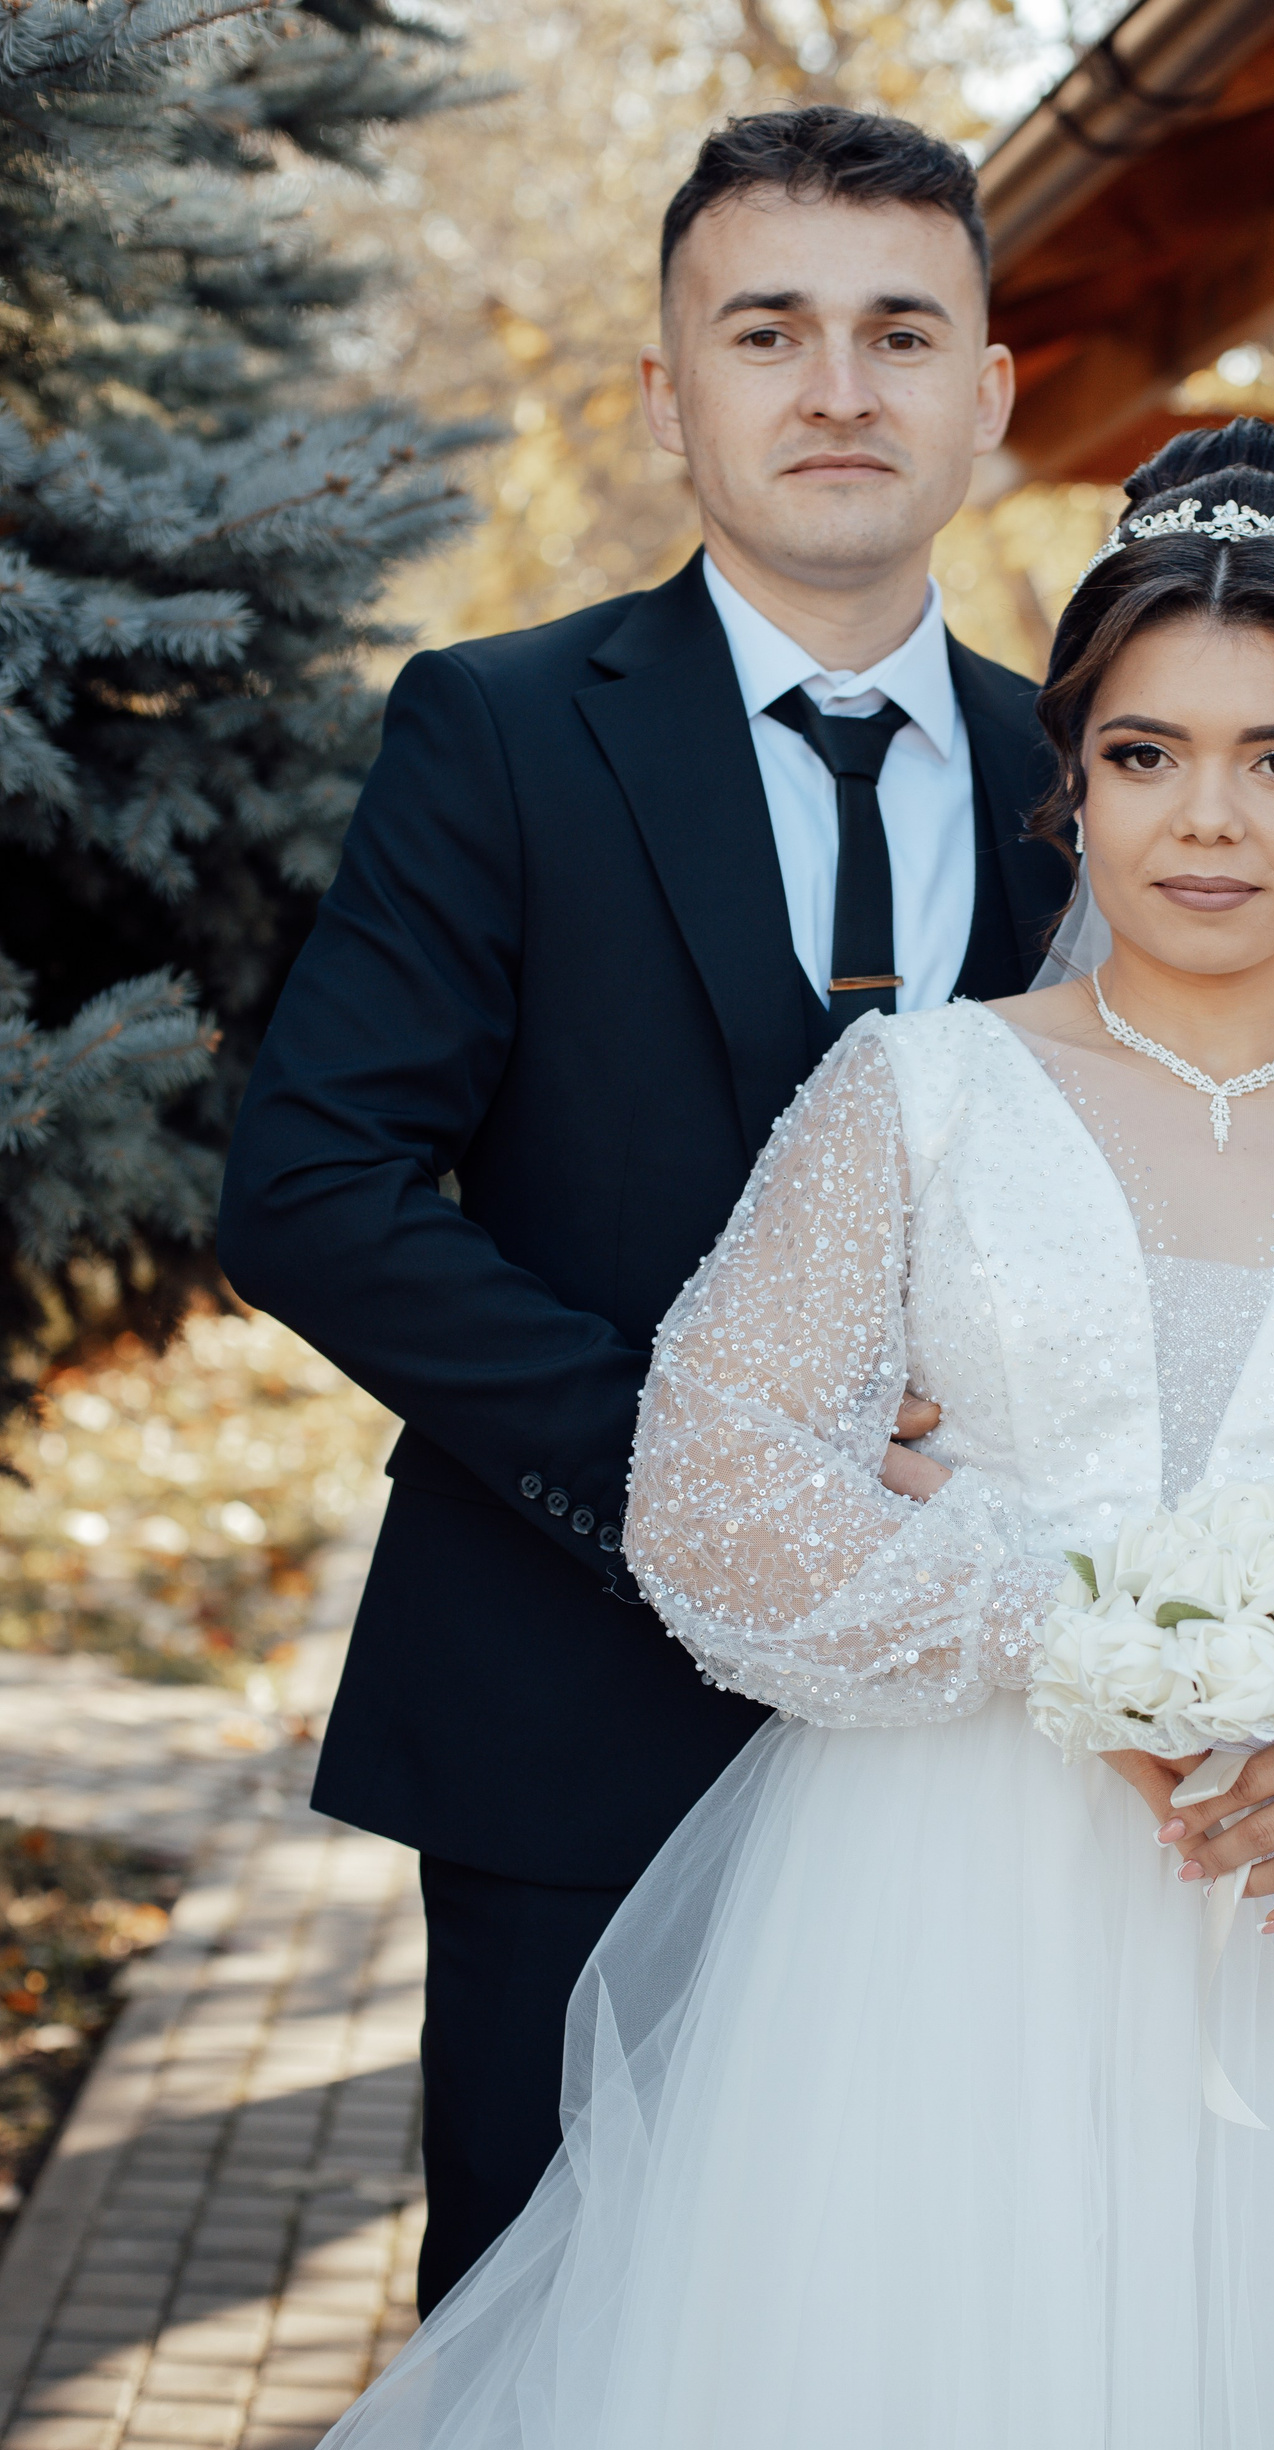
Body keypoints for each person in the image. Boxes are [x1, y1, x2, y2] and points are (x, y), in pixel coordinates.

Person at [239, 417, 1274, 2450]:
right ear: (1069, 777)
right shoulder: (917, 1095)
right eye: (1147, 754)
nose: (1209, 818)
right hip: (935, 1922)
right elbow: (712, 1475)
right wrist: (1086, 1642)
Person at [215, 103, 1074, 2313]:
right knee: (545, 2353)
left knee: (926, 2348)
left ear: (989, 392)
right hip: (571, 1712)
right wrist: (703, 1476)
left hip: (991, 1762)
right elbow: (311, 1188)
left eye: (901, 332)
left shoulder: (1097, 782)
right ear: (670, 394)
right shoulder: (499, 729)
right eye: (766, 330)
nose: (838, 386)